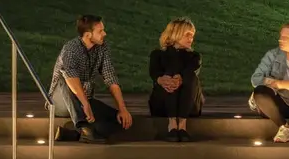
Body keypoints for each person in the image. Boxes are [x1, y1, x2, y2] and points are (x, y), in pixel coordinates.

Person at [50, 15, 135, 143]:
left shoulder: (102, 48)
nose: (104, 34)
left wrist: (122, 109)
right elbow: (71, 77)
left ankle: (75, 134)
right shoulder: (71, 49)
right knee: (65, 78)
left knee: (120, 119)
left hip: (85, 101)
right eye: (100, 31)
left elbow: (110, 77)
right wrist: (85, 104)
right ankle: (83, 127)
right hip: (61, 102)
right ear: (88, 35)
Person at [149, 17, 204, 141]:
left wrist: (179, 78)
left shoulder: (194, 56)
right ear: (175, 34)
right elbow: (154, 73)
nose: (191, 39)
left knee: (190, 77)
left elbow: (190, 70)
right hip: (163, 104)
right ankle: (172, 124)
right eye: (187, 35)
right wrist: (163, 80)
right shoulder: (157, 55)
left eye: (192, 36)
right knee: (169, 73)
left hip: (189, 104)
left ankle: (182, 125)